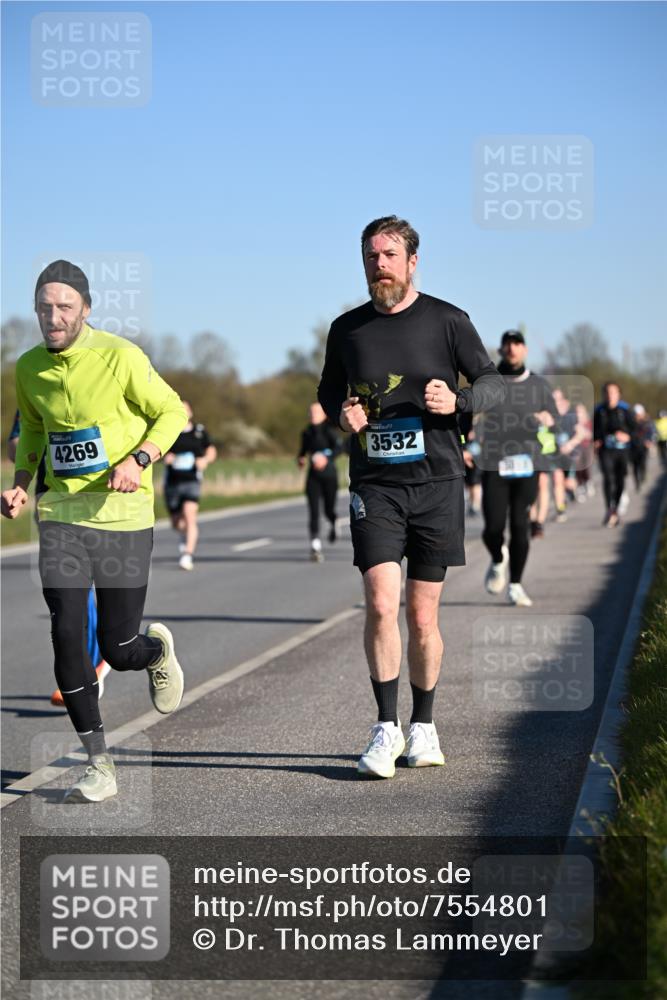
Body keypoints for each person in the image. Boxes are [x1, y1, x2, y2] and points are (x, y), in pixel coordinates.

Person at [318, 216, 505, 779]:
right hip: (375, 485)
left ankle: (424, 725)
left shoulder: (448, 320)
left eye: (389, 254)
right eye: (371, 255)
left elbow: (492, 384)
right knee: (380, 602)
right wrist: (341, 414)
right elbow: (329, 392)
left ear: (413, 260)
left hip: (437, 482)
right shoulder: (346, 330)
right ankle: (385, 726)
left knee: (422, 616)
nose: (380, 263)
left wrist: (459, 402)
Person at [1, 260, 187, 803]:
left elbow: (170, 411)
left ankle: (154, 653)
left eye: (63, 306)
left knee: (118, 644)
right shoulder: (29, 366)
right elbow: (33, 428)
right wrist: (19, 481)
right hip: (60, 515)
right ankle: (97, 761)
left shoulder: (120, 356)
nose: (52, 317)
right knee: (65, 630)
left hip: (123, 517)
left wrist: (140, 458)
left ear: (85, 308)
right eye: (43, 307)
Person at [7, 411, 111, 705]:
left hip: (100, 493)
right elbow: (17, 442)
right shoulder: (38, 383)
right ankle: (90, 667)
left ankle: (97, 661)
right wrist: (34, 447)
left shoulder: (107, 377)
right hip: (50, 495)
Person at [476, 330, 559, 607]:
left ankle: (515, 585)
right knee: (492, 529)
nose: (511, 348)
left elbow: (555, 419)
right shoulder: (489, 382)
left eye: (517, 344)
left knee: (520, 525)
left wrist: (547, 417)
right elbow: (469, 413)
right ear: (500, 350)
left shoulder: (538, 385)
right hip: (494, 461)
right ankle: (499, 558)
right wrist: (467, 441)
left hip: (527, 462)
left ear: (524, 350)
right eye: (507, 344)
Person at [163, 400, 217, 570]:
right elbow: (157, 450)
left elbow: (211, 450)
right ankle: (183, 535)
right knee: (177, 523)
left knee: (190, 515)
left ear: (191, 413)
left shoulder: (199, 432)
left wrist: (205, 460)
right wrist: (166, 457)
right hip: (172, 482)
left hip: (192, 480)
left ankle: (187, 555)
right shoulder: (168, 432)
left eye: (186, 410)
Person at [297, 402, 341, 562]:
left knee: (328, 509)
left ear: (323, 414)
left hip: (329, 475)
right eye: (310, 412)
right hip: (313, 477)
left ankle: (333, 520)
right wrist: (300, 460)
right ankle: (315, 547)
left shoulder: (330, 430)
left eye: (316, 412)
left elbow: (339, 448)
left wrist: (326, 457)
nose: (312, 414)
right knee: (313, 512)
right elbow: (302, 452)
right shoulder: (306, 433)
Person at [593, 382, 635, 526]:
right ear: (604, 394)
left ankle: (615, 508)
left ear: (618, 394)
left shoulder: (625, 410)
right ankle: (609, 509)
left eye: (613, 392)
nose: (610, 395)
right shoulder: (599, 410)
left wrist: (627, 436)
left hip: (622, 451)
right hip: (605, 450)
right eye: (607, 392)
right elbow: (593, 430)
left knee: (620, 480)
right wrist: (596, 440)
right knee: (608, 478)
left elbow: (636, 430)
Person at [630, 404, 654, 492]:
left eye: (639, 414)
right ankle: (637, 483)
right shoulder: (631, 422)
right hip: (633, 447)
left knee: (642, 464)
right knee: (635, 466)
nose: (638, 416)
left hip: (643, 447)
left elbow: (651, 432)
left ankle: (643, 477)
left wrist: (649, 441)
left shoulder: (647, 422)